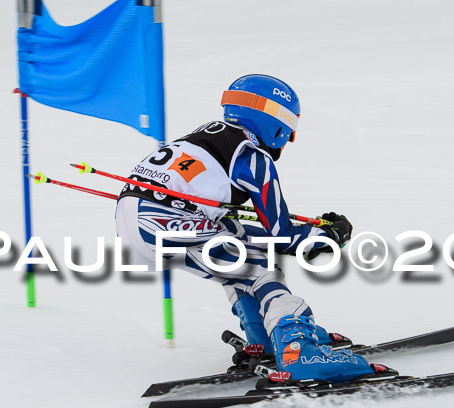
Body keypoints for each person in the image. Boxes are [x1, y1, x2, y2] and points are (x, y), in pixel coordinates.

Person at [115, 74, 381, 383]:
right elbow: (281, 236)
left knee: (238, 250)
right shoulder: (251, 156)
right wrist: (330, 236)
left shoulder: (206, 138)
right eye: (289, 126)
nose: (288, 137)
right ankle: (299, 351)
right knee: (261, 268)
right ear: (276, 121)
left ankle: (263, 338)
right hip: (164, 219)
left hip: (136, 221)